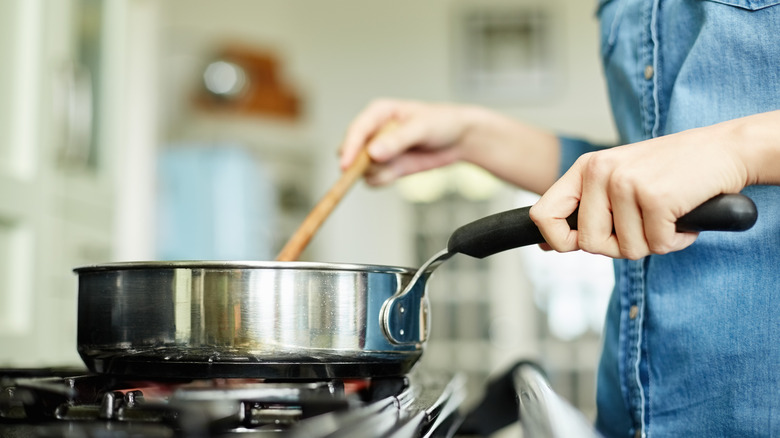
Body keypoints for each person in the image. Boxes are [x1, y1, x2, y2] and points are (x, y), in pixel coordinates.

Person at [338, 1, 780, 437]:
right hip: (631, 414)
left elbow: (697, 158)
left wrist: (740, 149)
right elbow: (632, 175)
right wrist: (467, 135)